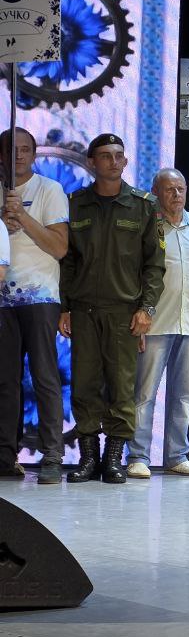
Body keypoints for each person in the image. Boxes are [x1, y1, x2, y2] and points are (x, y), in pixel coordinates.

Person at [60, 133, 165, 485]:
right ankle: (89, 458)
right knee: (84, 386)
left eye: (119, 155)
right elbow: (67, 261)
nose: (113, 161)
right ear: (92, 162)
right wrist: (64, 307)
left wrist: (147, 308)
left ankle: (114, 459)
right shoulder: (74, 203)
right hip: (84, 310)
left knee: (122, 387)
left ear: (126, 161)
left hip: (124, 312)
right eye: (105, 156)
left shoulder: (143, 205)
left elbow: (154, 265)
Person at [126, 169, 189, 479]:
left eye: (180, 188)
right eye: (169, 189)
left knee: (184, 395)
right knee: (144, 394)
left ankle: (177, 456)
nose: (176, 194)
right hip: (155, 324)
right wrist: (136, 318)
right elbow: (134, 275)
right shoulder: (146, 226)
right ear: (155, 192)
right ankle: (138, 456)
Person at [0, 127, 68, 484]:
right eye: (11, 149)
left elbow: (59, 247)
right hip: (2, 298)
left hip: (40, 295)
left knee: (44, 376)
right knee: (5, 381)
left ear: (35, 153)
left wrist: (23, 217)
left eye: (25, 149)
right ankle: (5, 456)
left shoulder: (49, 190)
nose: (19, 155)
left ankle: (53, 454)